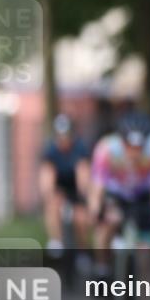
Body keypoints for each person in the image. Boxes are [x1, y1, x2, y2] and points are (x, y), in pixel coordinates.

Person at [89, 112, 150, 280]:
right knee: (107, 222)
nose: (134, 152)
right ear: (121, 140)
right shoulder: (106, 149)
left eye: (139, 147)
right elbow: (97, 187)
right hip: (116, 194)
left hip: (143, 194)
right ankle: (102, 267)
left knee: (146, 255)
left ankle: (143, 296)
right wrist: (96, 209)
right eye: (129, 146)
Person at [39, 114, 92, 270]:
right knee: (52, 205)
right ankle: (56, 241)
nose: (64, 139)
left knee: (81, 218)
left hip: (76, 188)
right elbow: (47, 173)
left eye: (66, 135)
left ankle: (82, 252)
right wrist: (49, 193)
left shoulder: (80, 148)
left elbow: (83, 172)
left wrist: (83, 194)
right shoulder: (50, 149)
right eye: (61, 135)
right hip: (59, 188)